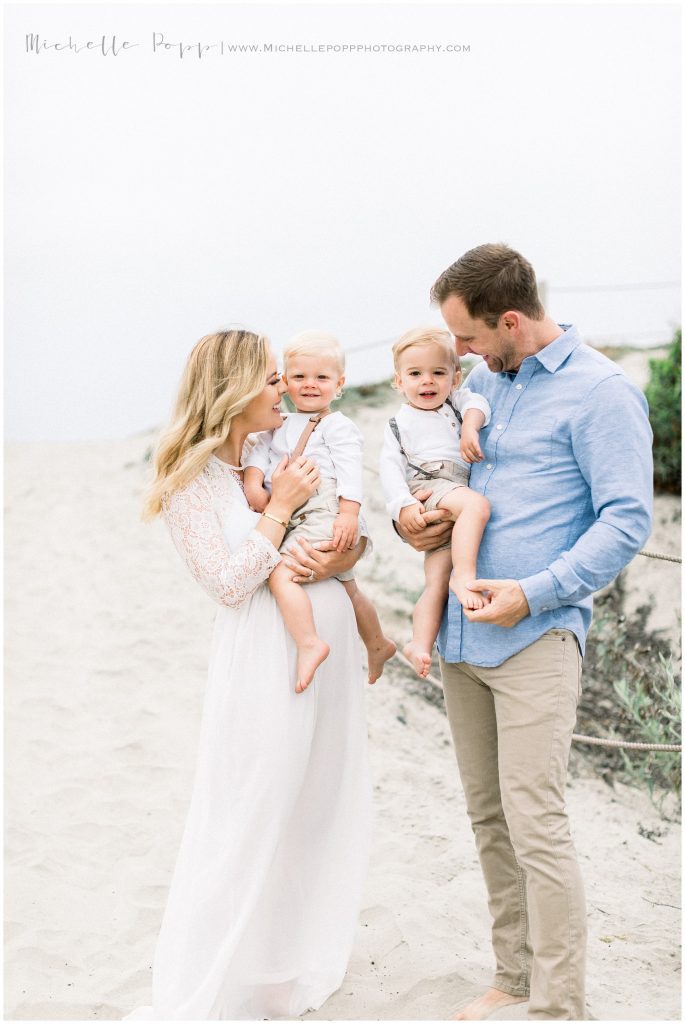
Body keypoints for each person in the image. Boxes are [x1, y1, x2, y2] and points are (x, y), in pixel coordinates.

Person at [396, 244, 653, 1021]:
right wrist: (412, 520)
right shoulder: (482, 383)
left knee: (535, 822)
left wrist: (532, 595)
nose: (458, 356)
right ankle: (511, 977)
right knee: (487, 818)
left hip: (535, 641)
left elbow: (626, 521)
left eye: (468, 339)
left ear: (510, 321)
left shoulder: (601, 392)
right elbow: (445, 478)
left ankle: (557, 1004)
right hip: (460, 641)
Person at [126, 329, 371, 1020]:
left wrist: (339, 549)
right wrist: (281, 508)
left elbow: (342, 534)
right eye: (269, 379)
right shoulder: (190, 479)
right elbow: (230, 584)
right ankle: (223, 969)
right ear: (232, 391)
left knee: (314, 806)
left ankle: (281, 964)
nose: (283, 389)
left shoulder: (281, 450)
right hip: (265, 654)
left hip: (328, 645)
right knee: (251, 804)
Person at [244, 330, 396, 690]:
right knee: (348, 587)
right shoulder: (277, 425)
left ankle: (309, 643)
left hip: (326, 507)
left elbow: (349, 472)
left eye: (322, 378)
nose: (310, 385)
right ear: (284, 382)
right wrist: (254, 483)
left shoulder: (337, 426)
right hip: (298, 508)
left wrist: (348, 514)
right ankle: (378, 644)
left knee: (281, 573)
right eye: (299, 377)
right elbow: (257, 455)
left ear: (339, 384)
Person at [379, 326, 491, 678]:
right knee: (478, 506)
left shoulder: (456, 404)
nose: (427, 382)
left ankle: (419, 644)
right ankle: (467, 576)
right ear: (399, 381)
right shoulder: (399, 423)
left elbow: (478, 402)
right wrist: (402, 505)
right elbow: (389, 467)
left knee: (435, 583)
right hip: (430, 485)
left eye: (438, 373)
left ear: (455, 377)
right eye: (415, 374)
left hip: (453, 492)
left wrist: (470, 428)